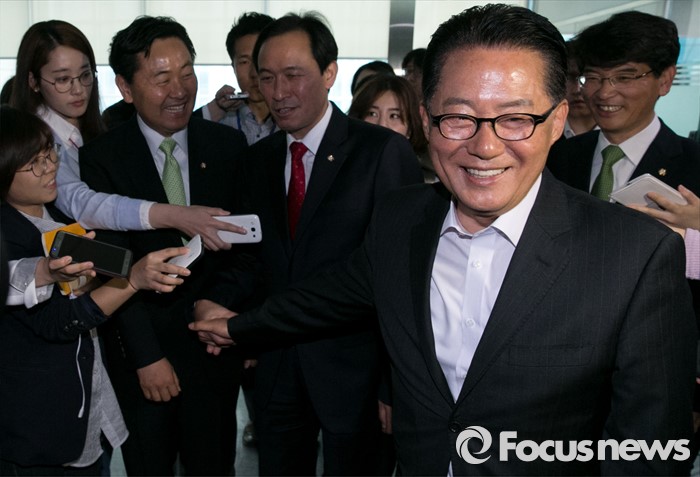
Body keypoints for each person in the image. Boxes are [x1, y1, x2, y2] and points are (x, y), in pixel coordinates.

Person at [191, 4, 697, 475]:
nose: (485, 146)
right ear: (426, 120)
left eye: (515, 118)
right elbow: (330, 296)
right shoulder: (402, 220)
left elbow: (650, 450)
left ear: (556, 121)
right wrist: (236, 327)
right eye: (458, 117)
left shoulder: (635, 255)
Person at [194, 12, 422, 476]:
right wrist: (212, 302)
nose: (278, 92)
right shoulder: (257, 161)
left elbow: (399, 281)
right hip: (276, 367)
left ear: (329, 72)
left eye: (293, 75)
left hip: (356, 375)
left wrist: (392, 386)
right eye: (266, 78)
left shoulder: (380, 152)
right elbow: (251, 258)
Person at [79, 16, 249, 476]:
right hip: (143, 358)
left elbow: (247, 244)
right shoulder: (101, 159)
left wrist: (224, 307)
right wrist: (146, 355)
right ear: (126, 87)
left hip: (215, 346)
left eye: (187, 72)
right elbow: (109, 263)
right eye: (161, 77)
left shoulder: (229, 146)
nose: (180, 90)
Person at [0, 105, 190, 476]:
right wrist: (132, 281)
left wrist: (124, 274)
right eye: (34, 163)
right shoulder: (9, 236)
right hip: (39, 432)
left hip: (87, 411)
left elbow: (93, 285)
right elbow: (59, 322)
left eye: (50, 153)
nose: (50, 167)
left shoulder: (61, 218)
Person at [10, 20, 245, 252]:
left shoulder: (228, 144)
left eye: (85, 75)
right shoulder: (39, 144)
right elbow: (82, 204)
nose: (79, 89)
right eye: (63, 79)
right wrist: (176, 216)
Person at [547, 11, 700, 199]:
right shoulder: (557, 156)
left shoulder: (694, 163)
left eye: (624, 78)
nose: (604, 93)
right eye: (593, 77)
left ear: (665, 80)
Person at [197, 12, 276, 145]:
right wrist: (216, 108)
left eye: (261, 59)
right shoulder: (220, 121)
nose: (254, 73)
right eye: (244, 62)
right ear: (233, 67)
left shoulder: (295, 118)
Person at [348, 73, 433, 182]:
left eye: (394, 116)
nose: (382, 124)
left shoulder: (427, 181)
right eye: (372, 114)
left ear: (410, 128)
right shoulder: (340, 168)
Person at [562, 39, 596, 138]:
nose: (577, 90)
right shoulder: (542, 133)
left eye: (588, 78)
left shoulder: (621, 133)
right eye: (570, 78)